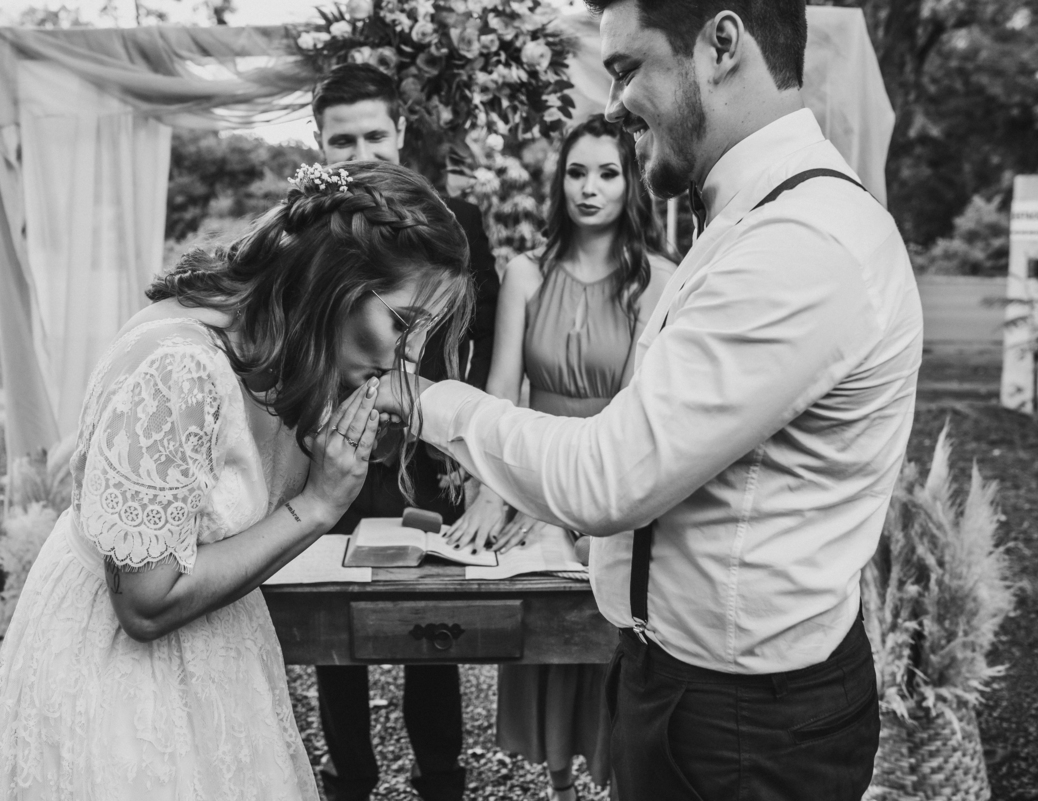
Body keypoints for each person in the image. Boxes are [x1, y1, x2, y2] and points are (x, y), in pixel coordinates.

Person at [371, 1, 925, 799]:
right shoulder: (749, 218)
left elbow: (608, 476)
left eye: (626, 69)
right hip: (680, 682)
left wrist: (426, 401)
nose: (612, 103)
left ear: (721, 44)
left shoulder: (801, 243)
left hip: (746, 729)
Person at [0, 160, 474, 801]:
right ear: (336, 281)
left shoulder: (277, 346)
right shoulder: (180, 370)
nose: (407, 356)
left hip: (217, 645)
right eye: (404, 324)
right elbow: (144, 605)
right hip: (122, 680)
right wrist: (318, 505)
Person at [445, 113, 674, 801]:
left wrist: (589, 510)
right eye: (577, 172)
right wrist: (494, 490)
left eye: (607, 173)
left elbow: (633, 413)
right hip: (533, 479)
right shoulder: (524, 273)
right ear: (560, 183)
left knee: (603, 619)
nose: (589, 188)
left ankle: (610, 778)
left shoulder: (656, 280)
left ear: (632, 183)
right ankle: (558, 784)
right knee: (538, 612)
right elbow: (500, 391)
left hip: (608, 483)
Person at [308, 63, 500, 801]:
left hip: (429, 458)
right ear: (319, 144)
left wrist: (474, 459)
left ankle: (440, 778)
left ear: (400, 131)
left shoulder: (458, 222)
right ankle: (350, 778)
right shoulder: (307, 232)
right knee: (335, 619)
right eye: (342, 140)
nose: (361, 152)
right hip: (336, 448)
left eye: (374, 135)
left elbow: (480, 341)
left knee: (433, 619)